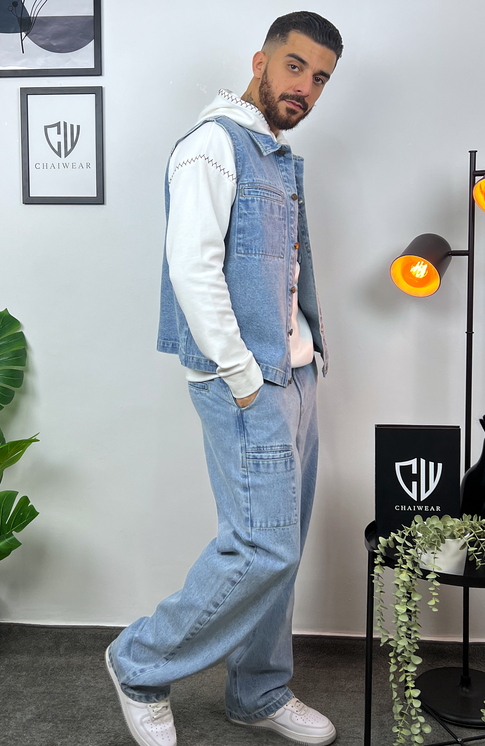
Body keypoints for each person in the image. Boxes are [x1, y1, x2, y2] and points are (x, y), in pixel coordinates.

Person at [106, 11, 343, 746]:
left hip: (293, 376)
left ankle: (258, 690)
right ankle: (138, 663)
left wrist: (306, 357)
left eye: (320, 79)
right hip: (247, 382)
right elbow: (193, 269)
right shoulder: (212, 144)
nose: (305, 88)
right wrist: (242, 376)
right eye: (295, 67)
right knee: (259, 547)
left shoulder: (274, 152)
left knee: (280, 549)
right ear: (260, 61)